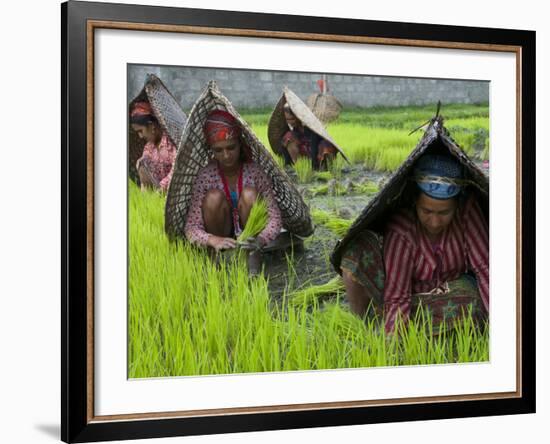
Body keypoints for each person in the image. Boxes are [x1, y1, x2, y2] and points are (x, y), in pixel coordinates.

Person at [340, 154, 489, 334]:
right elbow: (397, 296)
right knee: (356, 254)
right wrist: (392, 348)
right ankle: (368, 325)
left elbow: (484, 268)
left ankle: (411, 327)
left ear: (456, 206)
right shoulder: (402, 228)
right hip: (410, 298)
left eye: (444, 213)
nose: (434, 222)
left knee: (472, 300)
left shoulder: (467, 212)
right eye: (426, 211)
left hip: (452, 296)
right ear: (415, 202)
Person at [184, 109, 283, 252]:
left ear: (240, 145)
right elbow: (191, 227)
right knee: (213, 198)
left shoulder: (255, 172)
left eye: (231, 147)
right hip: (221, 235)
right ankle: (221, 255)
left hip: (252, 238)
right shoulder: (206, 176)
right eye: (218, 150)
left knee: (250, 194)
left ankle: (252, 254)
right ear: (212, 151)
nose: (226, 155)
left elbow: (275, 217)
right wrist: (213, 240)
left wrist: (261, 240)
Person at [130, 101, 177, 192]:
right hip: (157, 194)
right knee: (141, 164)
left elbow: (176, 170)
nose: (140, 136)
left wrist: (162, 188)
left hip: (172, 190)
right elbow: (145, 175)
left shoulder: (170, 143)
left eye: (141, 131)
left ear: (152, 126)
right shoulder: (148, 147)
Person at [281, 102, 337, 170]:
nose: (290, 122)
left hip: (316, 154)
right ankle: (299, 167)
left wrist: (313, 167)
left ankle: (324, 168)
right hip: (304, 156)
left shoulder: (311, 127)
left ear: (298, 116)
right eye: (287, 120)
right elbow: (284, 147)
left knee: (326, 145)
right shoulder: (295, 130)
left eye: (292, 119)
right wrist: (286, 164)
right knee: (288, 136)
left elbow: (314, 146)